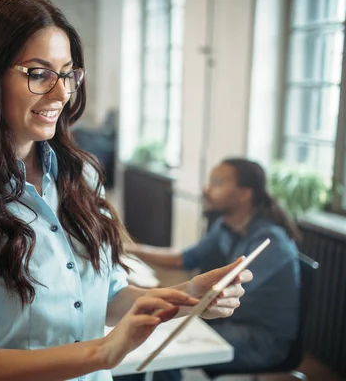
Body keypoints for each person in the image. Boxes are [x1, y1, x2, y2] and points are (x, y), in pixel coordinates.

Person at [0, 0, 252, 381]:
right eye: (39, 73)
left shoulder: (80, 176)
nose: (61, 93)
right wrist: (101, 353)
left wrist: (191, 296)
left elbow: (106, 298)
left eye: (67, 73)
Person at [127, 158, 301, 378]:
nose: (206, 189)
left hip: (261, 340)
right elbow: (184, 258)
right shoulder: (225, 226)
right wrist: (130, 248)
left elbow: (228, 290)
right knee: (148, 338)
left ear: (244, 194)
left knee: (163, 352)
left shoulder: (271, 241)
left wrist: (162, 299)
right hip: (228, 322)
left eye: (217, 183)